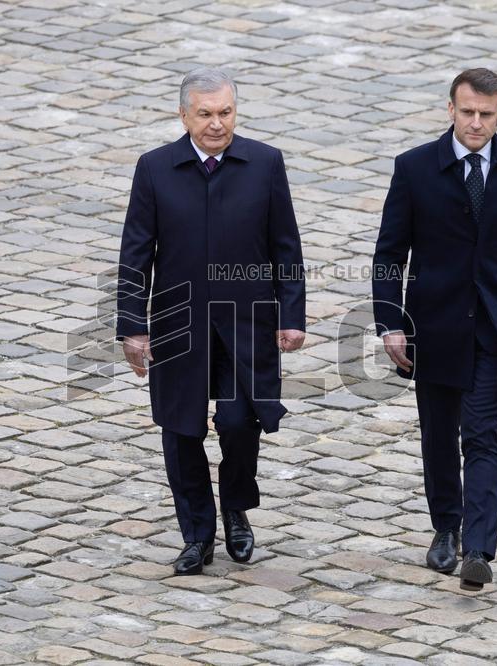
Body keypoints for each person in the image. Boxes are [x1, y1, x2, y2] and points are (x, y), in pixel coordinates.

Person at [117, 67, 306, 576]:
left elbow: (285, 246)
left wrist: (292, 313)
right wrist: (133, 327)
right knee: (181, 431)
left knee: (240, 421)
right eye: (205, 114)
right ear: (184, 116)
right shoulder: (155, 168)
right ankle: (197, 535)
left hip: (248, 323)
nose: (217, 124)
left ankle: (236, 507)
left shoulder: (264, 163)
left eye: (225, 112)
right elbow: (136, 254)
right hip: (179, 324)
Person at [371, 68, 497, 591]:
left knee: (481, 432)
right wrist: (390, 323)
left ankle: (478, 548)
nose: (476, 123)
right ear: (450, 109)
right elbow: (389, 254)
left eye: (486, 115)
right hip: (434, 324)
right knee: (438, 435)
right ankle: (445, 529)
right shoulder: (415, 168)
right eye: (467, 112)